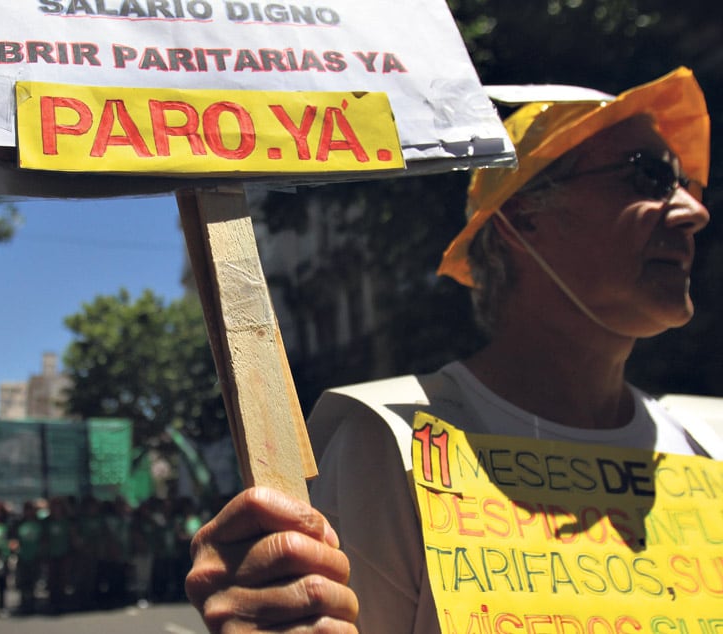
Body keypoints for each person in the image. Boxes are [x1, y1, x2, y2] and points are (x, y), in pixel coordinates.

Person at [185, 67, 722, 633]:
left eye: (686, 183)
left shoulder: (709, 444)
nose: (695, 212)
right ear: (524, 217)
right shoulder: (392, 445)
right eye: (647, 176)